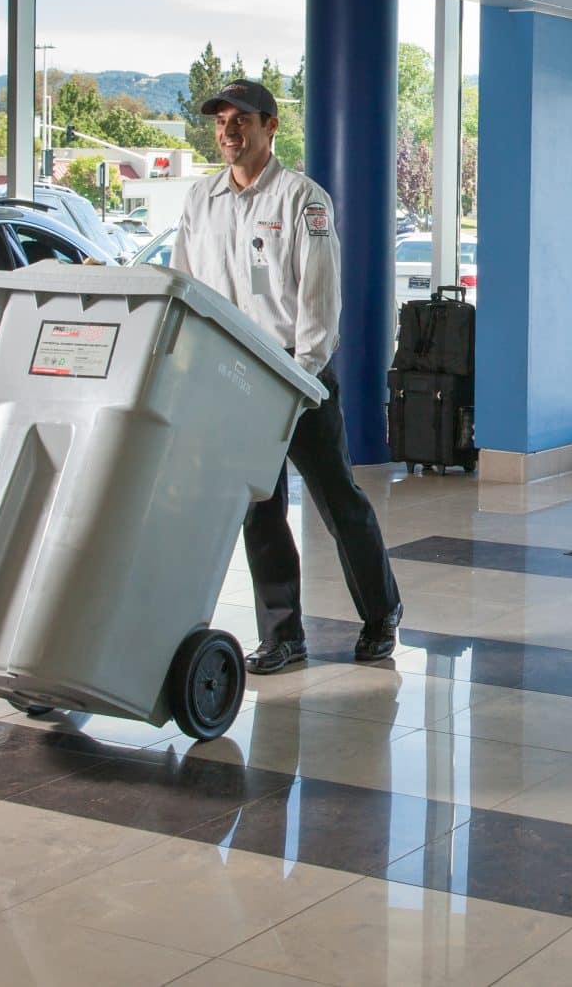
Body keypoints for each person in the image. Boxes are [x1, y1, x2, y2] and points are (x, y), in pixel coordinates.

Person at [171, 78, 403, 673]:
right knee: (258, 507)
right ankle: (283, 636)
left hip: (297, 377)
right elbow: (185, 287)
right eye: (221, 120)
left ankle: (382, 614)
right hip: (231, 380)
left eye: (241, 120)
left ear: (271, 127)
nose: (228, 131)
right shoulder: (201, 200)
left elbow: (321, 303)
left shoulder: (304, 200)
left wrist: (300, 380)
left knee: (336, 501)